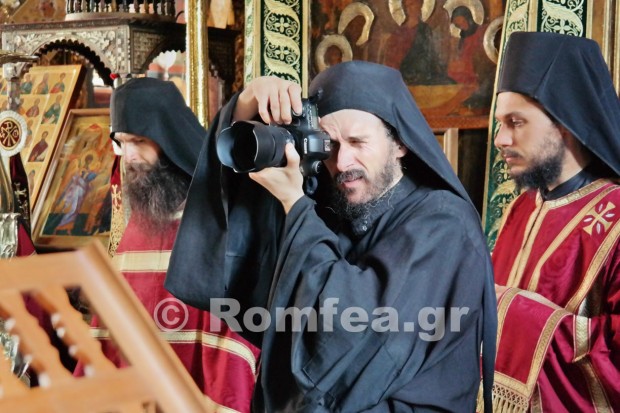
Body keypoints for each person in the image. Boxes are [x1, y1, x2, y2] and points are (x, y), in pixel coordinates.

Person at [167, 61, 497, 412]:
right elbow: (251, 252)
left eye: (357, 142)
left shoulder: (444, 222)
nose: (342, 163)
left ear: (400, 143)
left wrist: (294, 205)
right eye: (330, 145)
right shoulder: (334, 203)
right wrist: (246, 104)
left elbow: (354, 340)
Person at [74, 77, 259, 413]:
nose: (129, 157)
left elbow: (229, 320)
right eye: (121, 142)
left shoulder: (217, 212)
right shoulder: (144, 215)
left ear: (168, 137)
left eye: (139, 141)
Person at [491, 32, 620, 411]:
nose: (500, 138)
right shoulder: (520, 209)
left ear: (566, 122)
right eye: (499, 123)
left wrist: (508, 309)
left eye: (516, 122)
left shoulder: (615, 217)